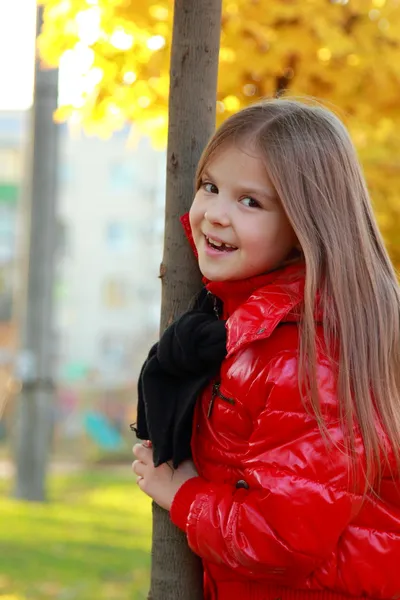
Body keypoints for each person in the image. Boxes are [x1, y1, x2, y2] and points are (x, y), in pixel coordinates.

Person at [132, 98, 400, 600]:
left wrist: (183, 494)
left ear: (304, 228)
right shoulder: (242, 325)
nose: (214, 214)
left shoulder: (309, 355)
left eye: (249, 201)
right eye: (210, 187)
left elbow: (282, 539)